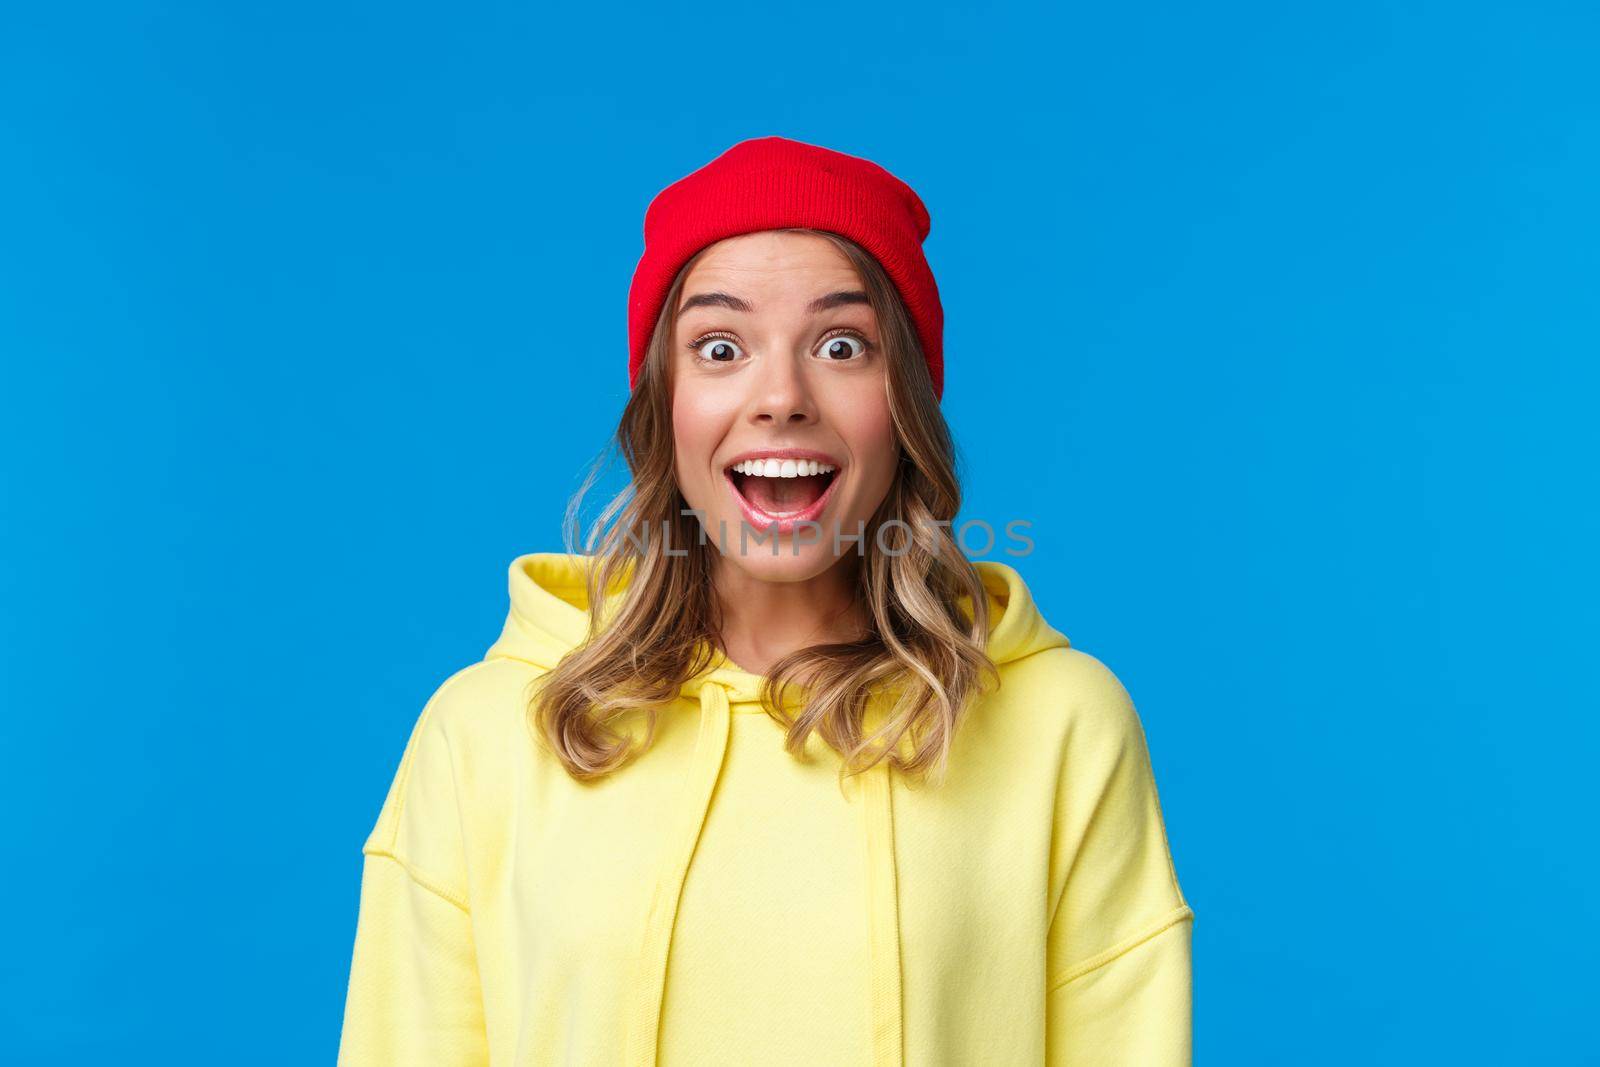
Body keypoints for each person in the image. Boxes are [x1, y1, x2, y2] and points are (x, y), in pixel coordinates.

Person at [335, 135, 1194, 1065]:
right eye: (719, 346)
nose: (781, 396)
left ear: (904, 404)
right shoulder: (484, 734)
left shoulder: (1063, 726)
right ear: (664, 403)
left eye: (840, 344)